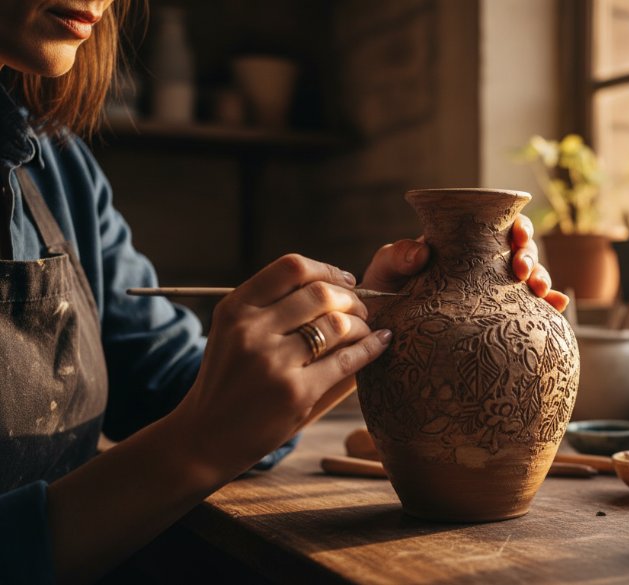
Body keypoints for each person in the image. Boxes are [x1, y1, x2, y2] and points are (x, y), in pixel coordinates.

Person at [0, 1, 570, 583]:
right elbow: (206, 428)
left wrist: (372, 325)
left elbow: (194, 395)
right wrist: (197, 446)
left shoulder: (58, 166)